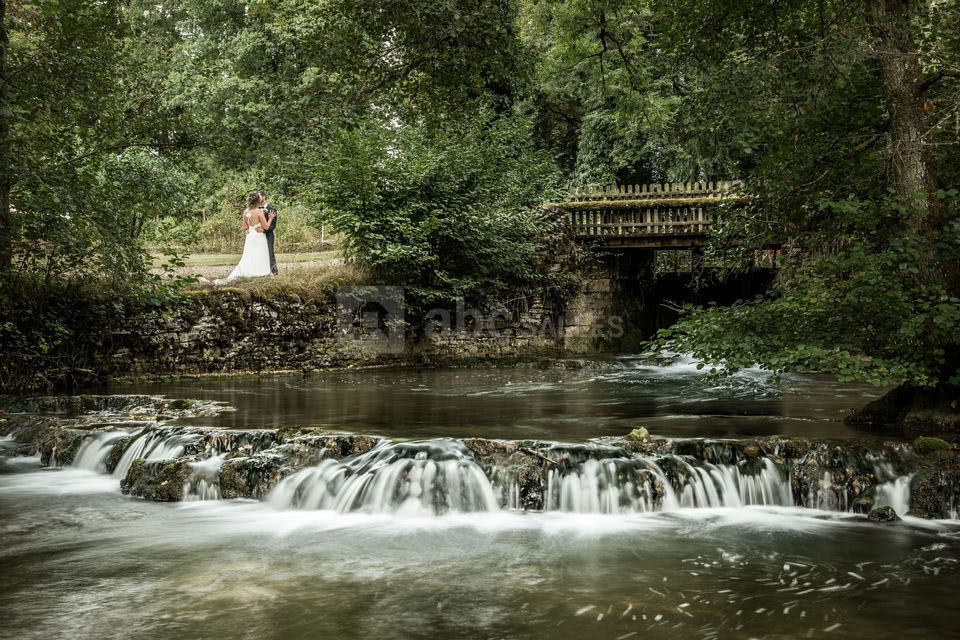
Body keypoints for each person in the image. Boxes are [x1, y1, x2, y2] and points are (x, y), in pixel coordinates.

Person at [214, 192, 276, 284]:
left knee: (249, 255)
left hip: (250, 237)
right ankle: (260, 272)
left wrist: (251, 231)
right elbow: (266, 227)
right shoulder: (259, 212)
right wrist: (270, 218)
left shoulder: (245, 212)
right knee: (260, 254)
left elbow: (245, 228)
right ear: (258, 200)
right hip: (259, 237)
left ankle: (247, 271)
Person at [259, 192, 279, 275]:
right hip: (258, 236)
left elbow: (272, 226)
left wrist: (263, 230)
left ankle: (274, 273)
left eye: (259, 197)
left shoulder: (271, 209)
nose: (257, 198)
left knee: (270, 254)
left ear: (264, 197)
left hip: (268, 236)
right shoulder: (256, 209)